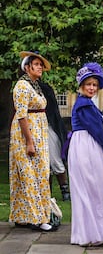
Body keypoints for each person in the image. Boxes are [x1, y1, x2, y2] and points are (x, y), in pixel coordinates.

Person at [68, 62, 103, 247]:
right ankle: (93, 233)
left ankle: (92, 231)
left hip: (85, 145)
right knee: (92, 187)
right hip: (86, 146)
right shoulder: (84, 104)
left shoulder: (86, 103)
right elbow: (95, 128)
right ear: (81, 85)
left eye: (94, 85)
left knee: (90, 188)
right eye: (88, 84)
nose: (92, 87)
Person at [9, 51, 57, 232]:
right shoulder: (22, 86)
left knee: (39, 172)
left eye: (41, 65)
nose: (40, 68)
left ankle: (23, 215)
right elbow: (21, 115)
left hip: (38, 132)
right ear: (27, 67)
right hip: (26, 133)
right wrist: (29, 141)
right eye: (36, 64)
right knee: (30, 175)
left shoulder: (34, 85)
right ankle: (38, 218)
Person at [39, 81, 70, 201]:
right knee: (43, 163)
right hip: (35, 128)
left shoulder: (44, 88)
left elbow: (52, 110)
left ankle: (65, 190)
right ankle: (47, 192)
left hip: (49, 126)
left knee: (55, 160)